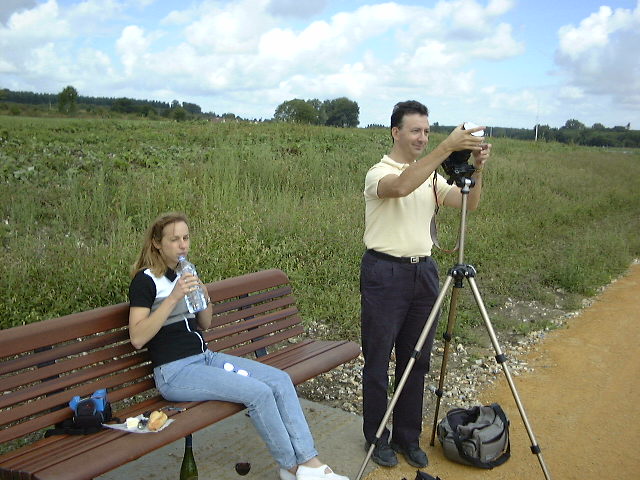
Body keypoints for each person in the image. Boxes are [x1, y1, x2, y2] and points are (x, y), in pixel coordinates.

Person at [128, 212, 349, 480]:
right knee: (258, 393)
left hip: (204, 357)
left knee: (279, 380)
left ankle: (309, 461)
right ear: (156, 243)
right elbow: (138, 337)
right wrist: (174, 298)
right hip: (175, 372)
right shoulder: (145, 280)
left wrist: (204, 298)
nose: (183, 245)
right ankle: (291, 468)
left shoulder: (186, 271)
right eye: (174, 240)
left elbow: (205, 323)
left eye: (186, 238)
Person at [360, 100, 491, 468]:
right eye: (415, 130)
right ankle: (376, 437)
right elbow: (401, 186)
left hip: (424, 273)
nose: (422, 137)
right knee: (378, 360)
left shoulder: (431, 176)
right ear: (395, 132)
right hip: (384, 272)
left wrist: (477, 169)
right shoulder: (378, 172)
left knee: (416, 360)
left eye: (428, 132)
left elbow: (469, 204)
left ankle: (407, 437)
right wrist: (446, 147)